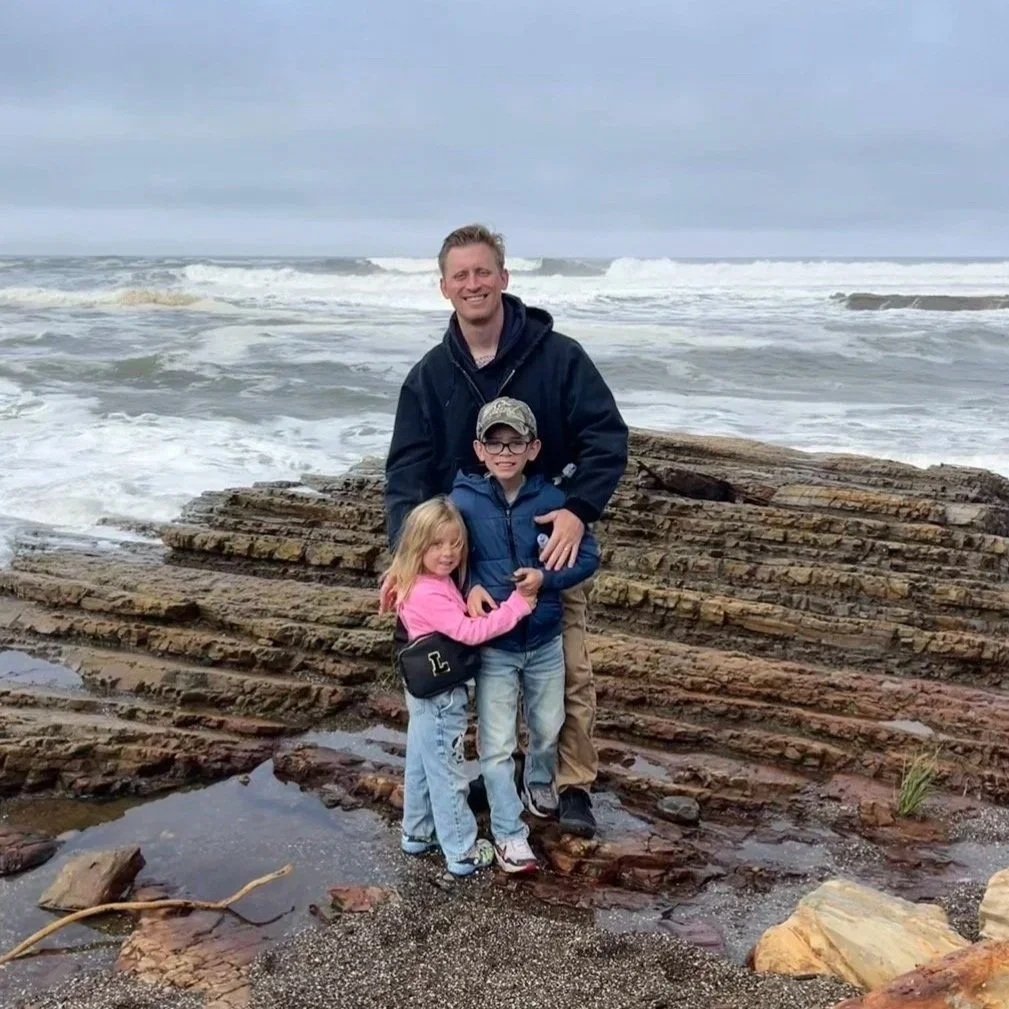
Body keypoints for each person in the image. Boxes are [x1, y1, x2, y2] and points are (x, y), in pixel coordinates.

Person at [384, 223, 628, 838]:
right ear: (444, 288)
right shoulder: (429, 376)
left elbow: (607, 440)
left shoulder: (559, 357)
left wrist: (578, 508)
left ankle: (569, 784)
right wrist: (406, 564)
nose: (474, 284)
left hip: (548, 553)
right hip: (461, 560)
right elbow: (407, 478)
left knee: (567, 674)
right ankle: (493, 776)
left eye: (483, 271)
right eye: (460, 275)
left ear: (504, 278)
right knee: (470, 682)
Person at [452, 397, 600, 873]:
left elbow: (588, 556)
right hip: (495, 645)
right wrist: (469, 585)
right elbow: (445, 556)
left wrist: (548, 580)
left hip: (545, 641)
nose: (505, 450)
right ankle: (507, 831)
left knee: (548, 724)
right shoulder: (463, 502)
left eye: (515, 441)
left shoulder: (554, 502)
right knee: (494, 742)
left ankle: (540, 778)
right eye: (495, 442)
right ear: (479, 449)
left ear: (534, 448)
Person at [385, 496, 536, 877]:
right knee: (448, 772)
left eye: (455, 543)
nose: (448, 553)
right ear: (417, 545)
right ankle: (461, 851)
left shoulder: (418, 580)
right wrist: (516, 606)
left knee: (421, 763)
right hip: (441, 694)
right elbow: (469, 632)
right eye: (436, 544)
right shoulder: (430, 592)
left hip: (421, 690)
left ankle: (417, 833)